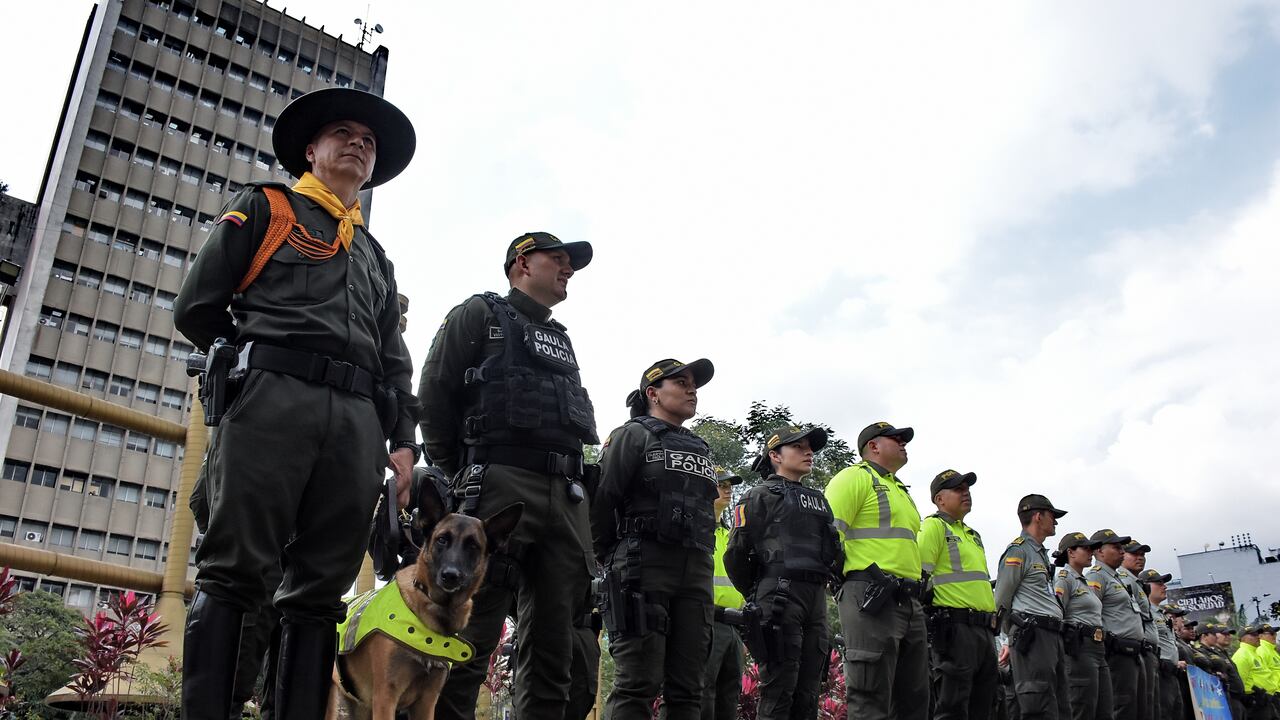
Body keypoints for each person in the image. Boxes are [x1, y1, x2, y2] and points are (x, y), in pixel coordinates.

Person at [173, 87, 419, 720]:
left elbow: (393, 354)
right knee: (236, 569)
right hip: (273, 399)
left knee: (321, 587)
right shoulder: (267, 206)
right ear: (311, 150)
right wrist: (243, 364)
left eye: (368, 142)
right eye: (344, 134)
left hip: (357, 420)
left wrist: (402, 443)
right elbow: (198, 306)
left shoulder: (374, 255)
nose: (359, 145)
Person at [417, 231, 599, 719]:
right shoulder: (479, 314)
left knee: (554, 648)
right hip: (498, 485)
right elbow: (433, 395)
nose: (567, 269)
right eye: (557, 259)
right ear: (522, 262)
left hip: (565, 495)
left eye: (570, 264)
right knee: (467, 637)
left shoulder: (560, 338)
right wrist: (462, 475)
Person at [593, 358, 718, 720]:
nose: (691, 389)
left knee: (689, 688)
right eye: (680, 383)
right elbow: (603, 500)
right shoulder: (631, 434)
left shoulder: (700, 446)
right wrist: (609, 560)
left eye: (693, 384)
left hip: (695, 572)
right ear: (653, 393)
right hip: (641, 565)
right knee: (637, 683)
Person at [724, 425, 842, 720]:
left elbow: (833, 552)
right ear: (775, 455)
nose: (808, 452)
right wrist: (762, 588)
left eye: (809, 447)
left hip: (815, 598)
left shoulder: (819, 500)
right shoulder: (757, 496)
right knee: (780, 688)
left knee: (809, 691)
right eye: (798, 447)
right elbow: (735, 554)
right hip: (778, 596)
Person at [824, 421, 929, 720]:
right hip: (870, 597)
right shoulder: (853, 478)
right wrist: (845, 584)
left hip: (909, 601)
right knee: (870, 698)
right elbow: (829, 536)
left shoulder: (901, 490)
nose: (903, 443)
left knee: (914, 699)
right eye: (896, 438)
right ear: (873, 446)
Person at [918, 469, 997, 720]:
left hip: (984, 631)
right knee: (952, 706)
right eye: (958, 490)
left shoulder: (974, 536)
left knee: (984, 707)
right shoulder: (933, 527)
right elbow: (919, 575)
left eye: (967, 489)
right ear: (940, 499)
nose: (966, 494)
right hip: (955, 628)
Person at [993, 494, 1071, 720]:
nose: (1055, 522)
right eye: (1052, 516)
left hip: (1050, 635)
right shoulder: (1018, 551)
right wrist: (1012, 637)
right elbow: (1001, 600)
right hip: (1033, 634)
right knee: (1038, 702)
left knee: (1059, 704)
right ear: (1038, 516)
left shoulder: (1039, 553)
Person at [1084, 530, 1147, 720]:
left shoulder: (1117, 577)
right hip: (1117, 651)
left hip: (1134, 651)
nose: (1121, 551)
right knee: (1122, 705)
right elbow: (1092, 612)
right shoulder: (1096, 576)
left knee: (1138, 708)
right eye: (1116, 547)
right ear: (1100, 552)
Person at [1052, 532, 1112, 720]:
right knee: (1082, 707)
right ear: (1071, 552)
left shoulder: (1083, 581)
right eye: (1085, 548)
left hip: (1097, 649)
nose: (1091, 553)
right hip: (1079, 649)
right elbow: (1057, 612)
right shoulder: (1064, 578)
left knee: (1104, 710)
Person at [1138, 569, 1183, 720]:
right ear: (1145, 586)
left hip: (1172, 674)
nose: (1164, 587)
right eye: (1159, 583)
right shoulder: (1143, 612)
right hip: (1159, 673)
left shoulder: (1161, 614)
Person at [1122, 542, 1159, 720]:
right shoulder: (1122, 579)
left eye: (1142, 555)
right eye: (1134, 554)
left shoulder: (1136, 583)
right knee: (1130, 706)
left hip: (1145, 651)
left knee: (1148, 705)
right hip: (1130, 649)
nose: (1140, 558)